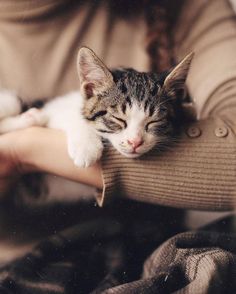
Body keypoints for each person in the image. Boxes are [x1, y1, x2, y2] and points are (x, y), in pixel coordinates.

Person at [0, 0, 236, 293]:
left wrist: (23, 150)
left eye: (150, 125)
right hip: (20, 261)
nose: (135, 141)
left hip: (138, 246)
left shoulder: (186, 7)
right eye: (119, 122)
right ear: (88, 88)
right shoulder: (74, 108)